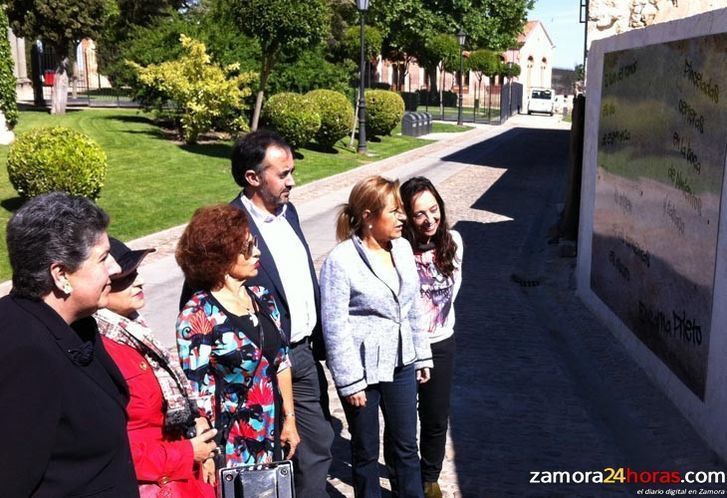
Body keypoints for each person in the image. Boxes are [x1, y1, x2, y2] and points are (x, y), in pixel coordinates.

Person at [180, 130, 333, 497]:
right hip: (247, 369)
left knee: (315, 447)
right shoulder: (229, 228)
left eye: (292, 171)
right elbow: (199, 299)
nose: (292, 181)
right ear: (253, 177)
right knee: (258, 462)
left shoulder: (289, 214)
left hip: (298, 355)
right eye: (282, 174)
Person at [0, 192, 138, 497]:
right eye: (102, 258)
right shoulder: (24, 352)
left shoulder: (78, 324)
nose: (115, 269)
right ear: (61, 275)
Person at [320, 175, 433, 498]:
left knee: (405, 446)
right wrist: (349, 381)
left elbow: (411, 307)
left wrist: (421, 354)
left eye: (402, 210)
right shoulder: (341, 261)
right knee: (366, 451)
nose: (403, 218)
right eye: (394, 211)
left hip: (402, 363)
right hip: (363, 371)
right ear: (368, 216)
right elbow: (335, 325)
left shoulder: (402, 248)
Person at [176, 204, 300, 468]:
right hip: (230, 444)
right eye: (247, 247)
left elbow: (282, 362)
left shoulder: (263, 299)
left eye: (253, 243)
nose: (257, 252)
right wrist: (207, 453)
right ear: (221, 257)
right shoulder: (198, 315)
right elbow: (196, 392)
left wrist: (290, 419)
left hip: (271, 432)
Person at [95, 238, 217, 498]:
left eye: (136, 274)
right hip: (156, 484)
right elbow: (115, 446)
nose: (138, 282)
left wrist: (198, 429)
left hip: (183, 477)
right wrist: (187, 452)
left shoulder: (134, 331)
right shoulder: (101, 349)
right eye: (124, 278)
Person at [400, 177, 463, 498]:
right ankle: (406, 478)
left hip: (441, 343)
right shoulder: (398, 250)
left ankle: (430, 478)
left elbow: (453, 291)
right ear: (408, 217)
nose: (429, 220)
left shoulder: (454, 242)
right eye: (419, 214)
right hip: (407, 347)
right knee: (403, 421)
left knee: (436, 417)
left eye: (433, 210)